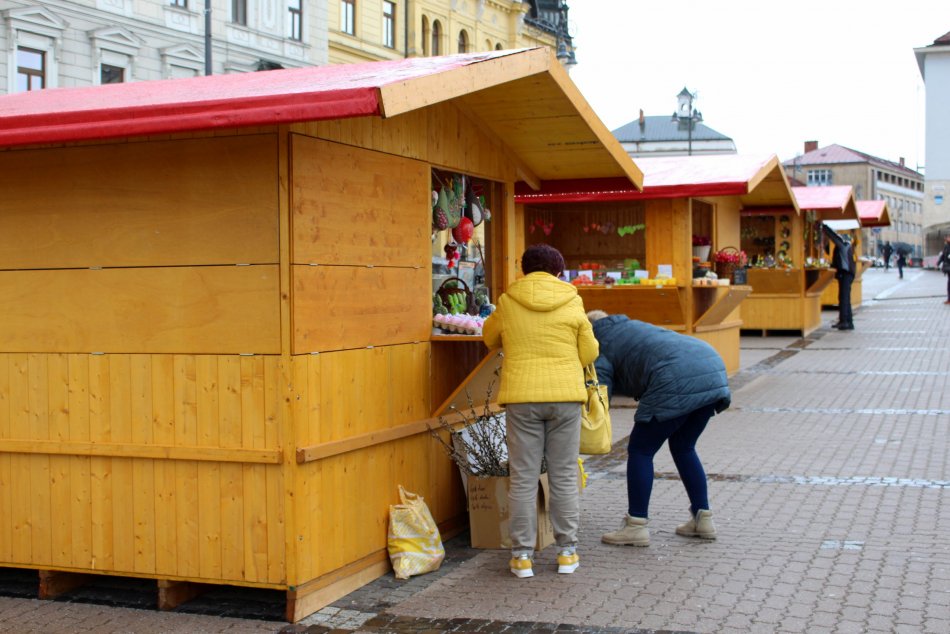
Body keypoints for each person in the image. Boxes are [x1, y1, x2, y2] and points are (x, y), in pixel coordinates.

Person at [482, 244, 599, 578]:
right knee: (563, 475)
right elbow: (589, 352)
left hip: (522, 397)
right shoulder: (572, 300)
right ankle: (567, 554)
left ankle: (521, 557)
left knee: (522, 477)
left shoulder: (508, 301)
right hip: (565, 397)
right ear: (559, 271)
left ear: (524, 270)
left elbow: (489, 337)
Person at [588, 311, 731, 547]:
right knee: (684, 446)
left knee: (640, 450)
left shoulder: (598, 342)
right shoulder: (631, 326)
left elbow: (600, 390)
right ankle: (703, 519)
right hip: (712, 367)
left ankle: (636, 526)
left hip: (675, 375)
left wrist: (591, 422)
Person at [823, 224, 856, 330]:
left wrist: (823, 227)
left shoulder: (843, 245)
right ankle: (848, 322)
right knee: (846, 298)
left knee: (843, 298)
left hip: (845, 273)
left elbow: (833, 237)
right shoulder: (847, 246)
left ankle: (844, 322)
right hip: (848, 274)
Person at [937, 235, 950, 304]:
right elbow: (943, 255)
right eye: (947, 237)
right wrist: (938, 262)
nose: (947, 238)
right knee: (949, 283)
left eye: (948, 237)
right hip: (948, 266)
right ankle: (949, 299)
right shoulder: (946, 246)